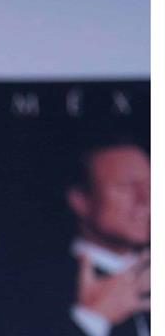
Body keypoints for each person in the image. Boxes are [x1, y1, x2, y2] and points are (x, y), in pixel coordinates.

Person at [63, 140, 151, 336]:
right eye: (125, 186)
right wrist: (91, 320)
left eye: (150, 186)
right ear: (80, 200)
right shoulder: (32, 284)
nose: (145, 200)